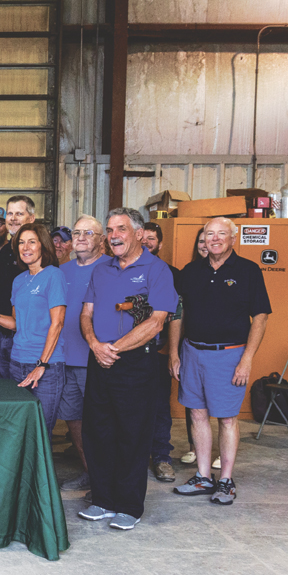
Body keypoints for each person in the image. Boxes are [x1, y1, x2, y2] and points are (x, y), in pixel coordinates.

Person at [77, 207, 178, 531]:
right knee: (98, 431)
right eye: (109, 229)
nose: (114, 235)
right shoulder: (102, 270)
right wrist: (95, 344)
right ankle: (103, 500)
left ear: (137, 233)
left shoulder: (157, 269)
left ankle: (129, 506)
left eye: (121, 228)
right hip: (100, 358)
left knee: (132, 434)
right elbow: (85, 314)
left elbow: (157, 320)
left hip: (135, 362)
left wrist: (114, 348)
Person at [171, 218, 270, 505]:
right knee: (197, 414)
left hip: (230, 354)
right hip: (192, 351)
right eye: (208, 234)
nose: (214, 239)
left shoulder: (249, 271)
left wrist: (247, 359)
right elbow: (178, 313)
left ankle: (225, 480)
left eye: (221, 234)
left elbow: (260, 317)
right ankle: (203, 477)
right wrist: (176, 353)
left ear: (232, 239)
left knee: (226, 418)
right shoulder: (191, 271)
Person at [0, 223, 66, 432]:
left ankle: (40, 467)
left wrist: (42, 365)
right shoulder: (19, 280)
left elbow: (57, 324)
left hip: (45, 367)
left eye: (32, 242)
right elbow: (16, 324)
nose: (25, 247)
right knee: (18, 429)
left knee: (40, 430)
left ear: (43, 246)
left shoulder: (53, 275)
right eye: (21, 242)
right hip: (17, 363)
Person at [54, 215, 106, 492]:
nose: (81, 238)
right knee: (73, 418)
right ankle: (89, 471)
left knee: (100, 421)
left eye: (89, 233)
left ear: (102, 239)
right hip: (65, 358)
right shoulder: (63, 271)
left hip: (96, 360)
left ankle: (105, 478)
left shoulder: (111, 268)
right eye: (77, 233)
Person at [143, 219, 181, 483]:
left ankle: (161, 457)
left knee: (158, 406)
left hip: (157, 351)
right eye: (142, 237)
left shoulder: (170, 273)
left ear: (160, 244)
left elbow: (177, 315)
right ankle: (129, 454)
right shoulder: (119, 269)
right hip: (126, 353)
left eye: (151, 239)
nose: (145, 243)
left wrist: (172, 352)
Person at [0, 196, 37, 379]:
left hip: (28, 336)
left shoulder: (39, 249)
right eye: (10, 213)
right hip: (3, 334)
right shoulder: (5, 250)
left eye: (19, 213)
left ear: (31, 218)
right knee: (5, 392)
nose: (13, 218)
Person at [180, 227, 209, 466]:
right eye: (200, 241)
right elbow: (179, 313)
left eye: (208, 239)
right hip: (191, 345)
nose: (205, 244)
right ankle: (193, 448)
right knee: (195, 405)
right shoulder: (188, 273)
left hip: (221, 350)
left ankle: (217, 453)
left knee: (219, 407)